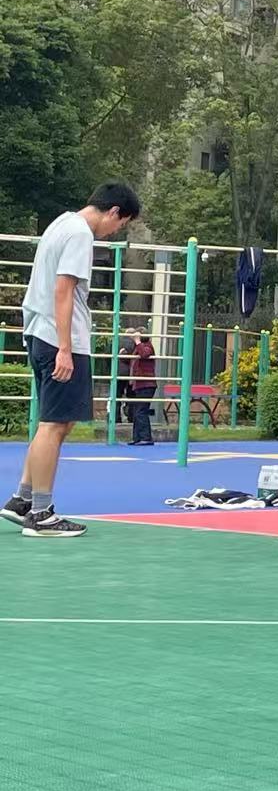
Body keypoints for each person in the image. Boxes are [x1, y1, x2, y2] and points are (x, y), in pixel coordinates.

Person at [3, 183, 142, 538]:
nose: (115, 231)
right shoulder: (80, 234)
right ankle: (41, 513)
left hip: (41, 334)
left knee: (55, 423)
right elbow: (63, 290)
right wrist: (65, 347)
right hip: (59, 339)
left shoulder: (61, 223)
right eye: (121, 224)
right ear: (114, 211)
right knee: (53, 425)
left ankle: (23, 499)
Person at [121, 326, 157, 447]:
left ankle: (146, 437)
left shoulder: (147, 346)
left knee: (141, 411)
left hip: (146, 384)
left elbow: (144, 354)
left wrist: (138, 341)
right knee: (137, 412)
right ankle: (137, 437)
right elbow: (134, 361)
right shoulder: (139, 347)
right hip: (139, 384)